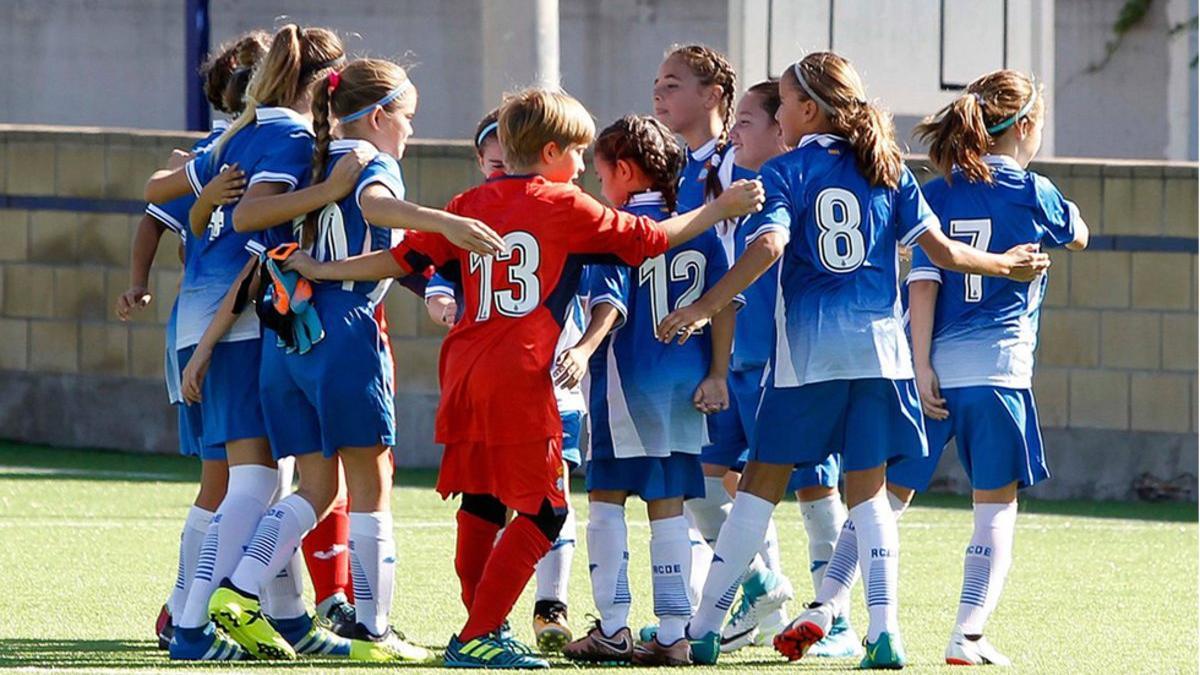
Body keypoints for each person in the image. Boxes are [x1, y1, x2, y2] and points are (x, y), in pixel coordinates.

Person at [282, 86, 766, 669]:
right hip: (520, 373)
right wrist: (719, 209)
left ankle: (479, 623)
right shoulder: (566, 205)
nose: (584, 166)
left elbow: (401, 259)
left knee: (484, 500)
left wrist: (322, 269)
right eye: (579, 154)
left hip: (464, 369)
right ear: (553, 150)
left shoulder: (468, 201)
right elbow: (653, 238)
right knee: (544, 511)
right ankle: (479, 633)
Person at [655, 51, 1051, 668]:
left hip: (810, 360)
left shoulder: (787, 170)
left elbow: (770, 243)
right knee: (869, 498)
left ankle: (704, 627)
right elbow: (942, 253)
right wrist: (1006, 264)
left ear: (808, 109)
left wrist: (706, 305)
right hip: (883, 360)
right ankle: (884, 633)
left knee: (760, 488)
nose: (780, 113)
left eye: (784, 103)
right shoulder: (888, 170)